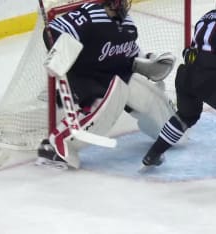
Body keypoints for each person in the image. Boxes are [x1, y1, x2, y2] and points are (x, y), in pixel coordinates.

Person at [35, 0, 176, 169]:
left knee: (148, 94)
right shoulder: (89, 16)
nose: (124, 4)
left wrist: (149, 62)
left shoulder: (128, 24)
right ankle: (56, 146)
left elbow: (132, 53)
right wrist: (59, 49)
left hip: (114, 76)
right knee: (107, 101)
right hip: (87, 79)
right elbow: (54, 29)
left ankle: (168, 133)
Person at [141, 0, 216, 183]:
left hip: (187, 74)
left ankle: (153, 154)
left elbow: (189, 51)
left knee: (186, 116)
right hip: (210, 75)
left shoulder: (204, 18)